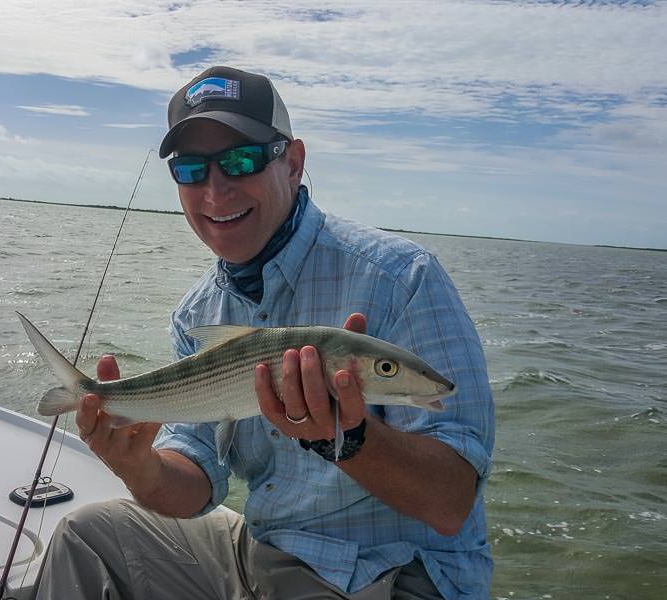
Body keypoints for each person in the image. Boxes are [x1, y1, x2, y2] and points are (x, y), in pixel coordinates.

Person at [34, 66, 494, 599]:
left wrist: (347, 437)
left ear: (293, 164)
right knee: (85, 536)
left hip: (383, 574)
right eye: (190, 169)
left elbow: (451, 502)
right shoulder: (197, 313)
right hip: (263, 550)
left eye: (241, 159)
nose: (215, 189)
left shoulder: (401, 278)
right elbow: (197, 477)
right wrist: (142, 469)